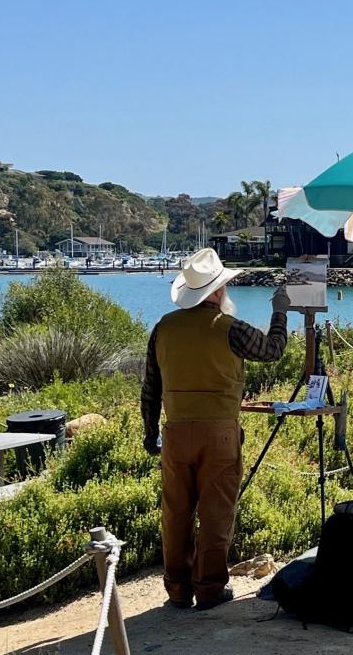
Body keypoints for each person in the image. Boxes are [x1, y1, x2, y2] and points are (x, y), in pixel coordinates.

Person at [140, 248, 291, 610]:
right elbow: (273, 350)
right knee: (215, 513)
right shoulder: (230, 328)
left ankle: (177, 589)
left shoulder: (163, 328)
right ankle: (209, 589)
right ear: (219, 292)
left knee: (175, 513)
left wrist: (150, 434)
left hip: (175, 432)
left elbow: (150, 389)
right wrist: (280, 312)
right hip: (220, 434)